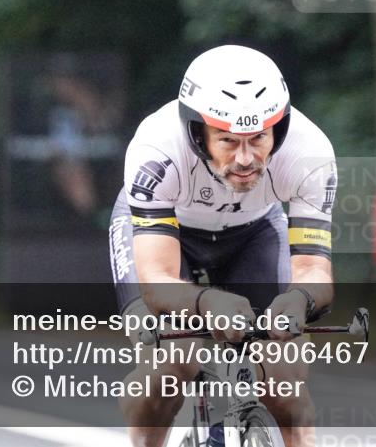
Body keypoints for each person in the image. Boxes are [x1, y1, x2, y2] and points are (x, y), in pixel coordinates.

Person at [108, 45, 337, 447]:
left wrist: (299, 300)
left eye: (259, 138)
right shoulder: (156, 150)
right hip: (168, 236)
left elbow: (314, 270)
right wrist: (205, 302)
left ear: (278, 128)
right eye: (228, 140)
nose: (246, 158)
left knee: (288, 385)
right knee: (166, 370)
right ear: (198, 130)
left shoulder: (309, 154)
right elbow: (157, 281)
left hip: (254, 232)